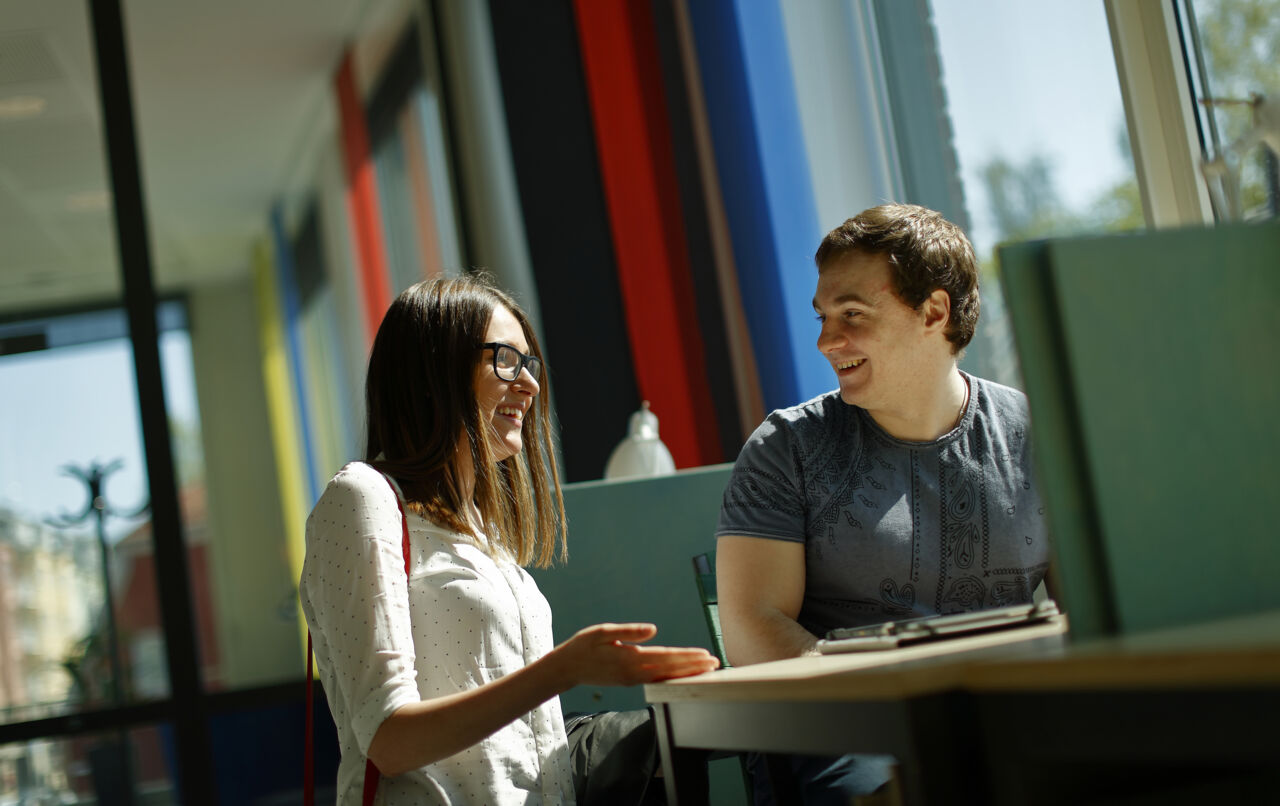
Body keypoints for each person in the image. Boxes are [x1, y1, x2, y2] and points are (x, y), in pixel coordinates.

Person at [300, 275, 719, 805]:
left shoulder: (481, 529)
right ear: (433, 369)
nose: (530, 385)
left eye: (530, 364)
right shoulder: (363, 498)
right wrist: (563, 670)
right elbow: (390, 740)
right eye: (504, 359)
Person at [715, 204, 1051, 802]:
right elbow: (750, 629)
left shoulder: (1037, 436)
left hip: (1017, 715)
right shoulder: (784, 449)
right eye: (821, 317)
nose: (825, 341)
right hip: (854, 728)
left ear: (934, 311)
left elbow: (1093, 613)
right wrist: (897, 701)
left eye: (852, 315)